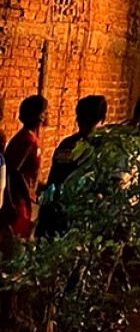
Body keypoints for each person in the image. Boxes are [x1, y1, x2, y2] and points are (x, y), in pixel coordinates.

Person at [37, 94, 108, 239]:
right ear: (103, 119)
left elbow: (53, 181)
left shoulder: (68, 144)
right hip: (79, 220)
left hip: (59, 217)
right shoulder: (105, 149)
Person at [2, 95, 48, 240]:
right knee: (17, 244)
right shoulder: (26, 140)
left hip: (24, 199)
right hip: (19, 201)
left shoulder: (31, 138)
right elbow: (12, 171)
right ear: (40, 116)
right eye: (45, 112)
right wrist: (13, 202)